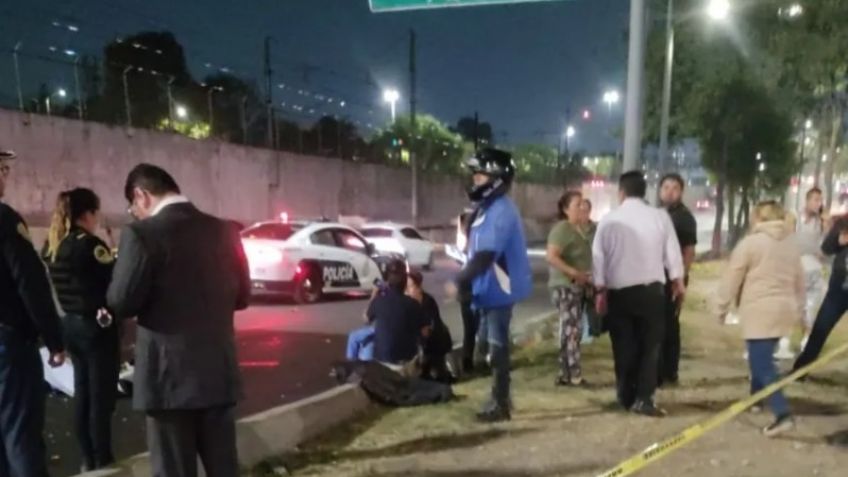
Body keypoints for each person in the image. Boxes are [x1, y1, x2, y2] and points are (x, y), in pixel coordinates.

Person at [107, 164, 250, 477]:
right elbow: (242, 297)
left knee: (173, 470)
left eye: (133, 208)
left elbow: (121, 301)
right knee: (224, 468)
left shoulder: (141, 235)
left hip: (167, 378)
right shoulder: (225, 230)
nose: (135, 215)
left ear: (140, 195)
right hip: (217, 373)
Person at [592, 171, 684, 417]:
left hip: (618, 293)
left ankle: (625, 395)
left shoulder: (608, 220)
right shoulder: (660, 217)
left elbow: (598, 258)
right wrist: (678, 281)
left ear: (621, 192)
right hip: (651, 292)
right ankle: (644, 398)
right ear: (644, 192)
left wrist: (600, 289)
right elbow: (672, 253)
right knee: (650, 346)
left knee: (623, 345)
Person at [452, 148, 533, 422]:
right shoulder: (485, 209)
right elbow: (474, 250)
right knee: (487, 348)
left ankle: (501, 403)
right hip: (487, 291)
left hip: (500, 289)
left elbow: (486, 255)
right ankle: (502, 397)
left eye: (480, 175)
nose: (474, 179)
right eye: (473, 174)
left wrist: (461, 279)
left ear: (497, 179)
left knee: (496, 348)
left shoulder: (502, 211)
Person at [0, 148, 66, 477]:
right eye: (3, 170)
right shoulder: (5, 220)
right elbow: (30, 283)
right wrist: (54, 339)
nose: (4, 177)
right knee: (20, 432)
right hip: (7, 343)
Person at [45, 188, 119, 471]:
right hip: (95, 328)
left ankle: (88, 458)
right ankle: (103, 459)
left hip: (71, 325)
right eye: (95, 213)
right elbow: (113, 277)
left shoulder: (54, 245)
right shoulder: (89, 245)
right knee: (100, 399)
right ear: (86, 214)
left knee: (83, 394)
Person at [716, 201, 803, 437]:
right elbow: (800, 281)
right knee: (761, 356)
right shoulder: (791, 245)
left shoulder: (751, 243)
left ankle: (782, 413)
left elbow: (732, 278)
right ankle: (756, 399)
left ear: (758, 217)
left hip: (759, 310)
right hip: (783, 310)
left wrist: (721, 308)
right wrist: (801, 312)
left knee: (762, 362)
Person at [547, 190, 593, 387]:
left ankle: (565, 373)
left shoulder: (579, 229)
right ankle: (574, 374)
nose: (582, 207)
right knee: (573, 331)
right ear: (566, 210)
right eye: (577, 205)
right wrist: (574, 273)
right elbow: (551, 256)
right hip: (565, 286)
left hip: (577, 287)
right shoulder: (563, 228)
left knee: (570, 330)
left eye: (583, 203)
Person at [792, 215, 848, 376]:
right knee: (820, 329)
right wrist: (839, 240)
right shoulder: (843, 223)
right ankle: (800, 370)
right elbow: (826, 249)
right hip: (838, 291)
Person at [657, 173, 698, 387]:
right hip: (655, 276)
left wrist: (680, 278)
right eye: (665, 187)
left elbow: (689, 251)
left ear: (681, 192)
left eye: (674, 188)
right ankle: (658, 367)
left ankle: (669, 371)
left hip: (673, 278)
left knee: (670, 325)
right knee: (657, 323)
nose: (669, 191)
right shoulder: (657, 213)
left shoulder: (684, 217)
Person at [367, 259, 426, 366]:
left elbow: (366, 318)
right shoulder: (412, 304)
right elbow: (424, 332)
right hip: (405, 360)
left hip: (380, 360)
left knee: (364, 347)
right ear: (405, 283)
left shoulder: (379, 300)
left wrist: (374, 294)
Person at [792, 187, 829, 353]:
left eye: (820, 200)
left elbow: (827, 245)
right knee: (795, 305)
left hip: (814, 267)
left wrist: (826, 223)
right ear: (807, 200)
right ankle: (785, 339)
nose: (818, 203)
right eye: (815, 200)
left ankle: (806, 338)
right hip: (796, 266)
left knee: (811, 305)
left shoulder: (820, 222)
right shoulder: (795, 217)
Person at [407, 269, 453, 382]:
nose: (407, 291)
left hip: (433, 344)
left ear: (418, 287)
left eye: (410, 286)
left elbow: (428, 328)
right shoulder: (407, 303)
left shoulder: (427, 301)